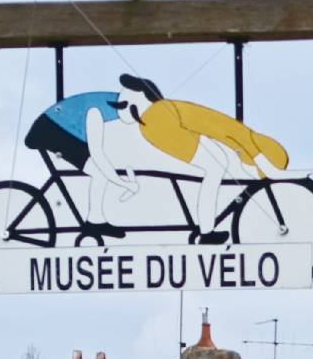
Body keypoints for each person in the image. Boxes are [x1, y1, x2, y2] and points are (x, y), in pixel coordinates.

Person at [117, 74, 291, 245]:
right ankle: (206, 231)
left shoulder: (155, 114)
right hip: (165, 126)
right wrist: (263, 164)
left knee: (215, 167)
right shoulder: (158, 113)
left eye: (123, 105)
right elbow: (227, 131)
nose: (120, 110)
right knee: (216, 167)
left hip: (160, 129)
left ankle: (206, 230)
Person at [22, 90, 139, 235]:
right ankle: (95, 223)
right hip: (51, 128)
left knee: (98, 173)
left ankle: (95, 222)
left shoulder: (112, 104)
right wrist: (124, 184)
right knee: (99, 174)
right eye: (137, 114)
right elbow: (97, 155)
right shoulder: (96, 110)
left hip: (59, 127)